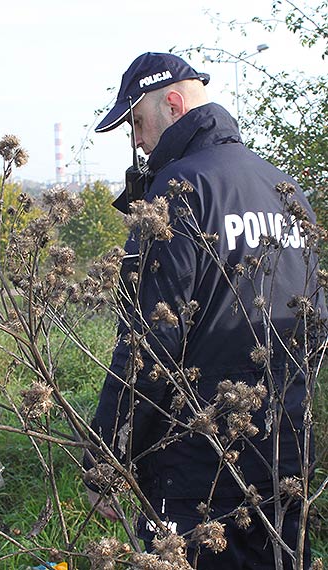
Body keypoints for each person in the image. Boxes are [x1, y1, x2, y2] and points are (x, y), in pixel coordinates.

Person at [85, 52, 327, 568]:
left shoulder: (177, 194)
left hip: (195, 475)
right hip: (284, 457)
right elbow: (313, 327)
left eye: (137, 122)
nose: (137, 140)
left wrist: (105, 458)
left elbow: (149, 349)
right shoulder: (288, 193)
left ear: (173, 104)